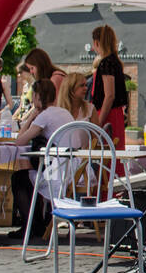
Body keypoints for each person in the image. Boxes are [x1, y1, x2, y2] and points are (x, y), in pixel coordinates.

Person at [11, 78, 80, 237]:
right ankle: (38, 223)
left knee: (19, 178)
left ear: (36, 96)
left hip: (58, 171)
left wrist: (30, 117)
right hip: (74, 167)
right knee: (28, 174)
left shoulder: (45, 116)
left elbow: (20, 141)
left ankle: (31, 226)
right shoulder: (63, 112)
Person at [89, 25, 128, 146]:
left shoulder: (106, 63)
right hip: (115, 113)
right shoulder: (114, 61)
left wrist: (99, 122)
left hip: (108, 114)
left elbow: (109, 95)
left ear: (96, 42)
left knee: (107, 154)